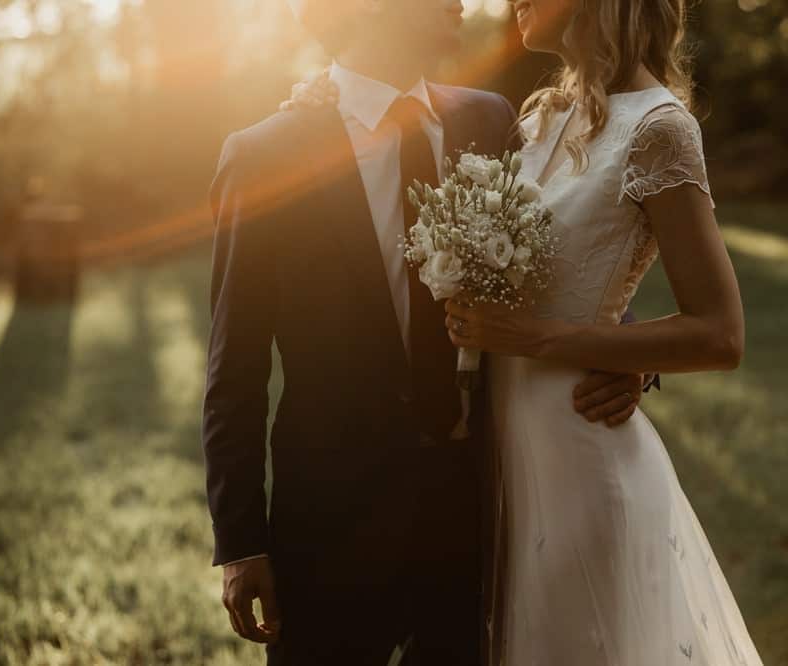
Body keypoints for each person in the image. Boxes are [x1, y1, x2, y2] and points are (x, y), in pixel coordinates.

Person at [289, 0, 764, 662]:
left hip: (580, 453)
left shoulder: (660, 128)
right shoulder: (541, 118)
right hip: (503, 460)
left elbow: (720, 334)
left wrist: (544, 341)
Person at [202, 1, 650, 664]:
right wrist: (241, 542)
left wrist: (628, 356)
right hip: (329, 521)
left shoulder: (488, 118)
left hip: (471, 507)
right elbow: (234, 367)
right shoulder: (264, 156)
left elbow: (564, 251)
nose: (459, 3)